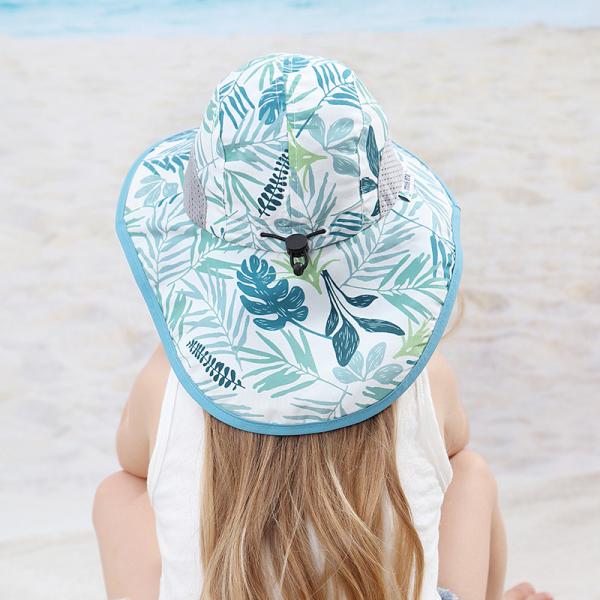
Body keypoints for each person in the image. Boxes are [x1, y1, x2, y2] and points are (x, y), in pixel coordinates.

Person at [94, 53, 553, 600]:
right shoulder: (428, 378)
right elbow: (452, 447)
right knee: (469, 474)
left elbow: (132, 461)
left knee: (117, 494)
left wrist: (190, 349)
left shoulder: (164, 382)